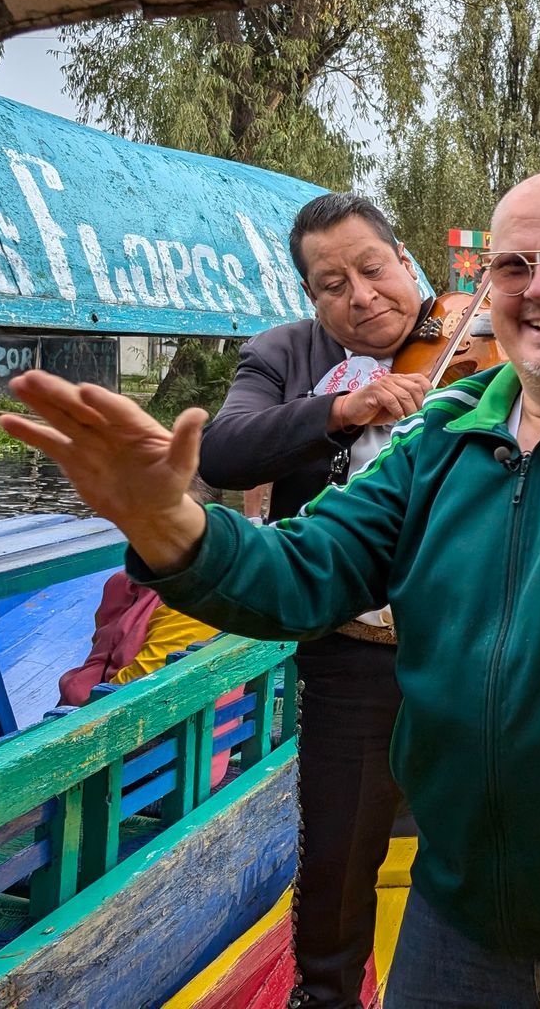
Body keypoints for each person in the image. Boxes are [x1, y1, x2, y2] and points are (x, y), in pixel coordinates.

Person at [1, 168, 540, 1006]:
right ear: (484, 283)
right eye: (513, 267)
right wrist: (171, 527)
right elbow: (307, 569)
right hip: (459, 921)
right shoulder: (440, 437)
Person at [186, 192, 433, 1009]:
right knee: (336, 850)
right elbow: (223, 450)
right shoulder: (284, 356)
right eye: (332, 284)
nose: (361, 296)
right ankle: (324, 995)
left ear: (405, 261)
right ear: (311, 299)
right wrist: (343, 408)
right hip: (351, 646)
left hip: (471, 641)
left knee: (496, 830)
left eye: (372, 268)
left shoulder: (478, 338)